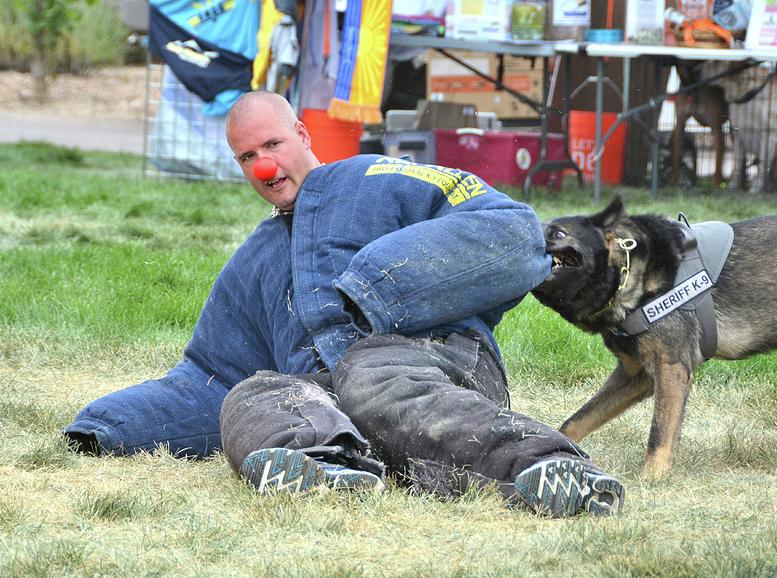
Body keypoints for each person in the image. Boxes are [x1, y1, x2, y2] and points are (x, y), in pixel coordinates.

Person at [64, 91, 624, 517]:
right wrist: (107, 426)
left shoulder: (380, 177)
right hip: (334, 399)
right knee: (254, 392)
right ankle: (328, 465)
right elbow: (208, 374)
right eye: (247, 156)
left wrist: (381, 289)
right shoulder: (253, 259)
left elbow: (509, 230)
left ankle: (550, 468)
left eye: (272, 145)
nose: (263, 166)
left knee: (369, 369)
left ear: (303, 135)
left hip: (433, 364)